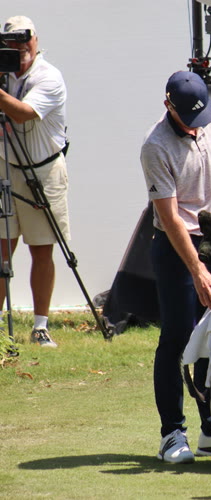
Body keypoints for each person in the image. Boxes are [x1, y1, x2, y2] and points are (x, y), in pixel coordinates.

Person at [140, 70, 211, 464]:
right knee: (177, 338)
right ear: (168, 105)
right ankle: (171, 434)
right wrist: (197, 270)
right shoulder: (155, 146)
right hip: (178, 248)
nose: (195, 125)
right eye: (187, 118)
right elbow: (169, 218)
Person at [0, 16, 70, 348]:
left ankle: (40, 326)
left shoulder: (49, 76)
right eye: (11, 41)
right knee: (2, 250)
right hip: (6, 166)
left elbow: (23, 112)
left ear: (36, 39)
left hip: (43, 171)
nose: (19, 47)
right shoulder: (4, 74)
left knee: (41, 249)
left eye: (24, 39)